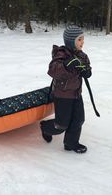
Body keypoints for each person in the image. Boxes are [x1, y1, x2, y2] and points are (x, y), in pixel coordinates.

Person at [40, 25, 92, 154]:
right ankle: (45, 127)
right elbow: (53, 70)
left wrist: (87, 71)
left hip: (76, 94)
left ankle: (71, 142)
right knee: (61, 125)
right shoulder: (61, 54)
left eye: (83, 39)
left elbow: (88, 68)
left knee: (78, 120)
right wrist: (66, 66)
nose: (83, 42)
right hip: (62, 95)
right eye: (80, 39)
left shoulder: (82, 55)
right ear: (71, 41)